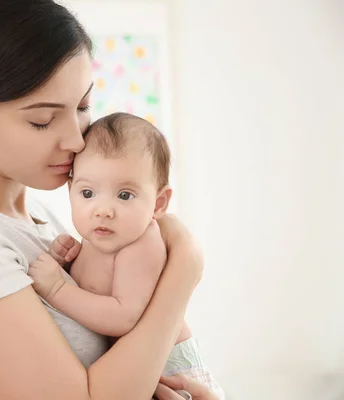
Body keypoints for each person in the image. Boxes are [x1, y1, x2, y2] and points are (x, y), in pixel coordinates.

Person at [0, 0, 221, 399]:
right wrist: (185, 267)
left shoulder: (42, 217)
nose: (77, 139)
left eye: (82, 107)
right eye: (42, 121)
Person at [28, 112, 225, 399]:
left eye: (124, 195)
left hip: (174, 371)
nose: (103, 209)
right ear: (71, 190)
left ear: (158, 203)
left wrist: (57, 287)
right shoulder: (104, 234)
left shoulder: (141, 244)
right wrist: (68, 260)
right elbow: (94, 282)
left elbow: (122, 316)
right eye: (87, 193)